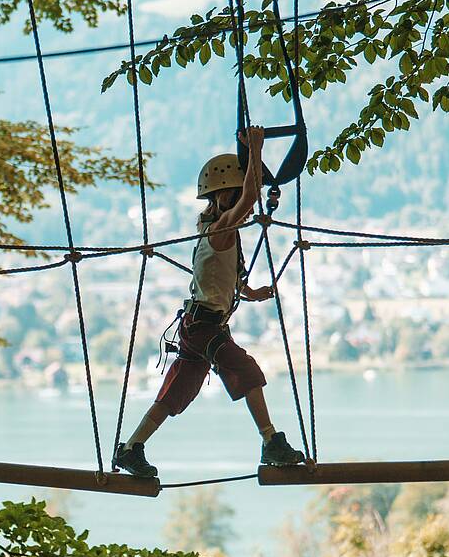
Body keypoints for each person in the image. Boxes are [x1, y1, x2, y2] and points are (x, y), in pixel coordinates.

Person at [114, 126, 307, 479]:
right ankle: (271, 442)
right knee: (248, 373)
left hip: (200, 326)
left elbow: (217, 276)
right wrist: (257, 150)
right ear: (223, 200)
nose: (243, 208)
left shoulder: (214, 231)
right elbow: (250, 198)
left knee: (176, 394)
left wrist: (250, 292)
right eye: (234, 200)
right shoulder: (220, 229)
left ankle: (131, 447)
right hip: (204, 327)